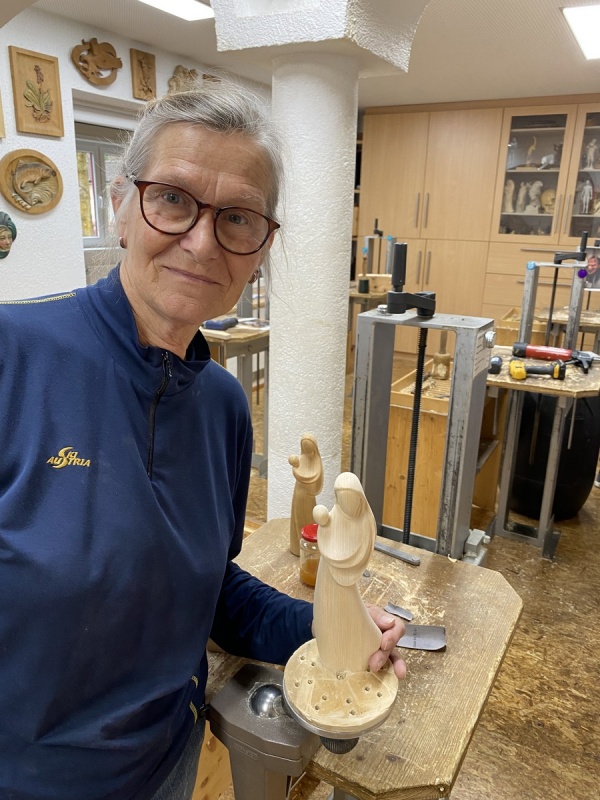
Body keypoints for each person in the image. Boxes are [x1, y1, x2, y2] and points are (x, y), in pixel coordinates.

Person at [0, 80, 406, 800]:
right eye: (172, 199)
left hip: (170, 765)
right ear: (122, 205)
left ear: (262, 248)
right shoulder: (14, 357)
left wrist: (332, 623)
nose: (201, 240)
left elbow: (205, 593)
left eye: (238, 218)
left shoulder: (222, 406)